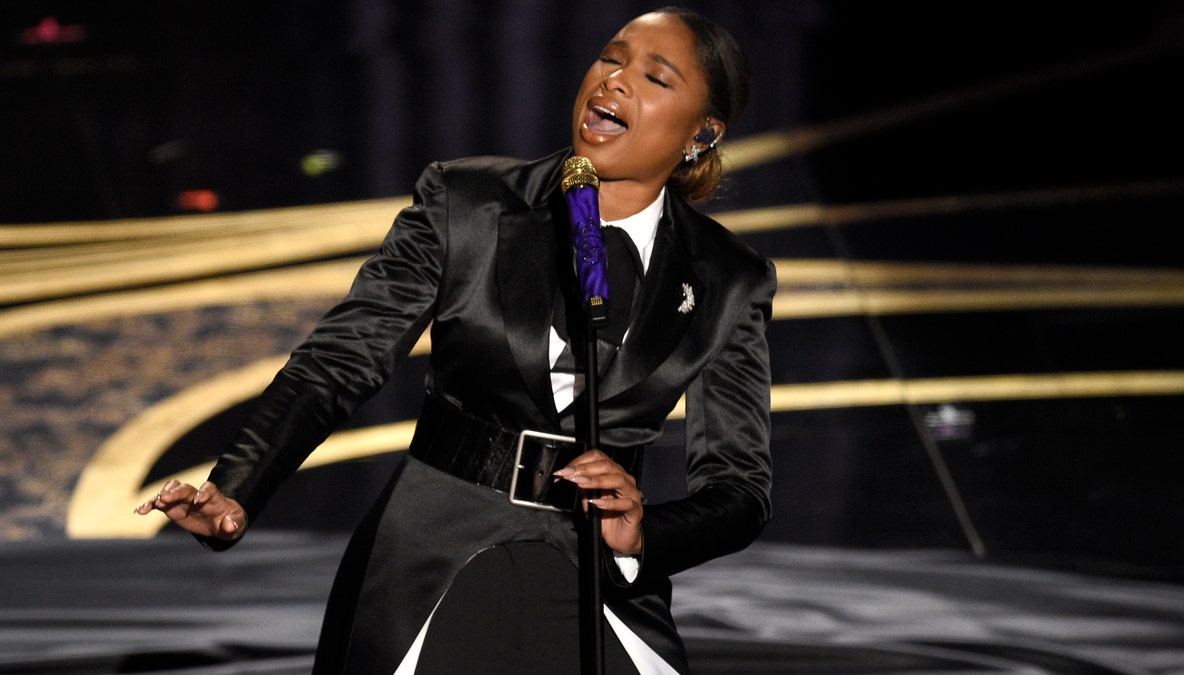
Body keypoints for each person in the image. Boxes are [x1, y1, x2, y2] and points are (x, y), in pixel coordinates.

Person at [136, 7, 775, 674]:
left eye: (655, 77)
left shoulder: (729, 279)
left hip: (599, 578)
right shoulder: (467, 203)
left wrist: (645, 531)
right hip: (436, 556)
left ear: (702, 134)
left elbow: (740, 489)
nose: (614, 81)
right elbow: (342, 358)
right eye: (612, 58)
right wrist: (238, 485)